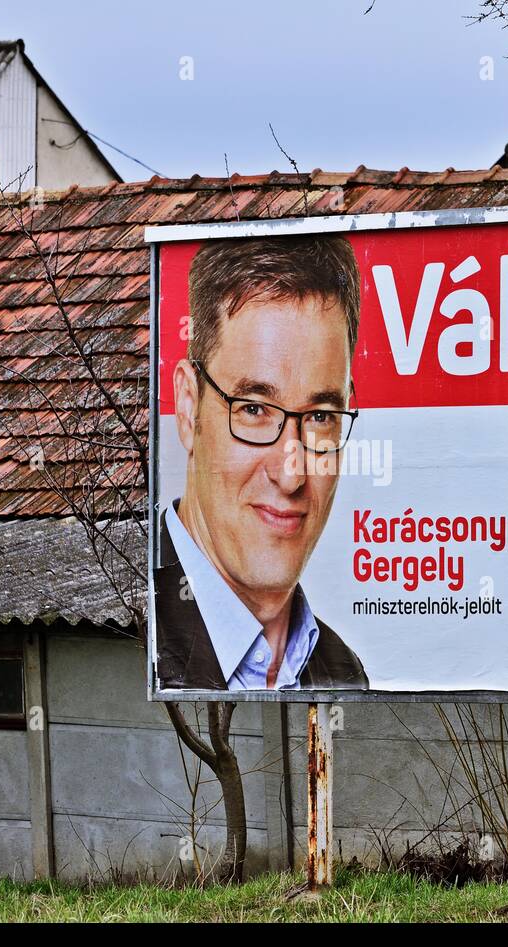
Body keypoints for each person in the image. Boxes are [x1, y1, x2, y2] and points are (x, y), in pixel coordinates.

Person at [156, 234, 368, 691]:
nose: (291, 474)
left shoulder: (342, 672)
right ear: (189, 408)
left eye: (319, 417)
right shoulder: (133, 630)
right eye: (253, 409)